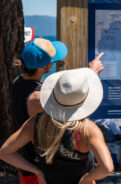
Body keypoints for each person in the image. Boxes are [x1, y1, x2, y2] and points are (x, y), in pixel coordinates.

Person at [8, 38, 104, 183]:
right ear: (44, 67)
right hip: (43, 170)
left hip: (27, 164)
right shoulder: (38, 98)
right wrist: (92, 74)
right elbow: (76, 113)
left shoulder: (17, 82)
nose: (53, 64)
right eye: (52, 61)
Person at [0, 68, 114, 184]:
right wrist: (86, 179)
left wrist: (37, 171)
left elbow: (5, 152)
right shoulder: (87, 130)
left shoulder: (34, 123)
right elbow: (107, 168)